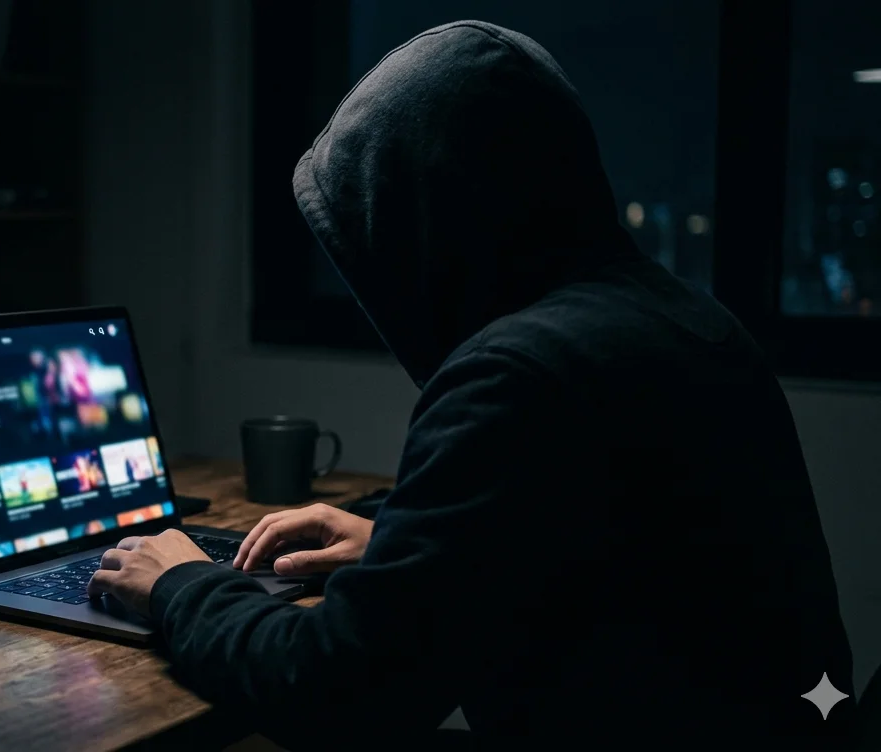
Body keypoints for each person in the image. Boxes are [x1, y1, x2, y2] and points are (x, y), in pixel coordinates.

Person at [88, 21, 856, 746]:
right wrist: (400, 544)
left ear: (429, 224)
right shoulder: (688, 321)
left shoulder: (518, 375)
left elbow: (335, 695)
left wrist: (180, 583)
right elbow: (597, 542)